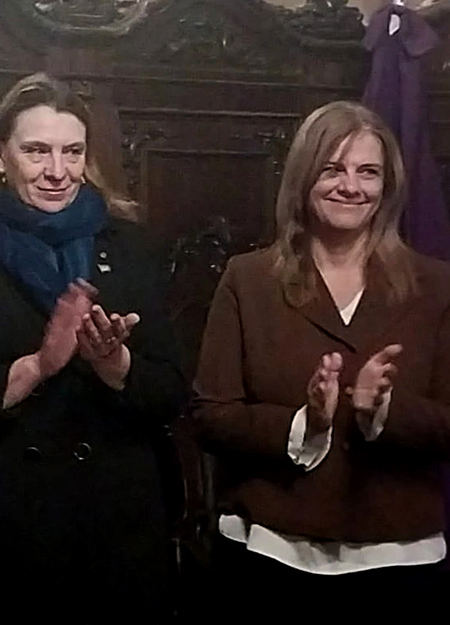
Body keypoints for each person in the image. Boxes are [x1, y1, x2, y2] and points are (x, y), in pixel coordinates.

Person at [0, 73, 186, 620]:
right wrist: (37, 367)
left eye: (72, 152)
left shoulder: (127, 243)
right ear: (0, 157)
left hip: (118, 529)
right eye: (36, 151)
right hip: (3, 529)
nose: (57, 172)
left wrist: (115, 365)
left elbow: (172, 393)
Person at [193, 101, 450, 618]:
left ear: (388, 187)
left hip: (398, 562)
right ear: (303, 178)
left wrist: (381, 411)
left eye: (367, 172)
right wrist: (304, 423)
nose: (350, 186)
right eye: (332, 168)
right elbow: (210, 415)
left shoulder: (436, 286)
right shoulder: (249, 280)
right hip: (269, 557)